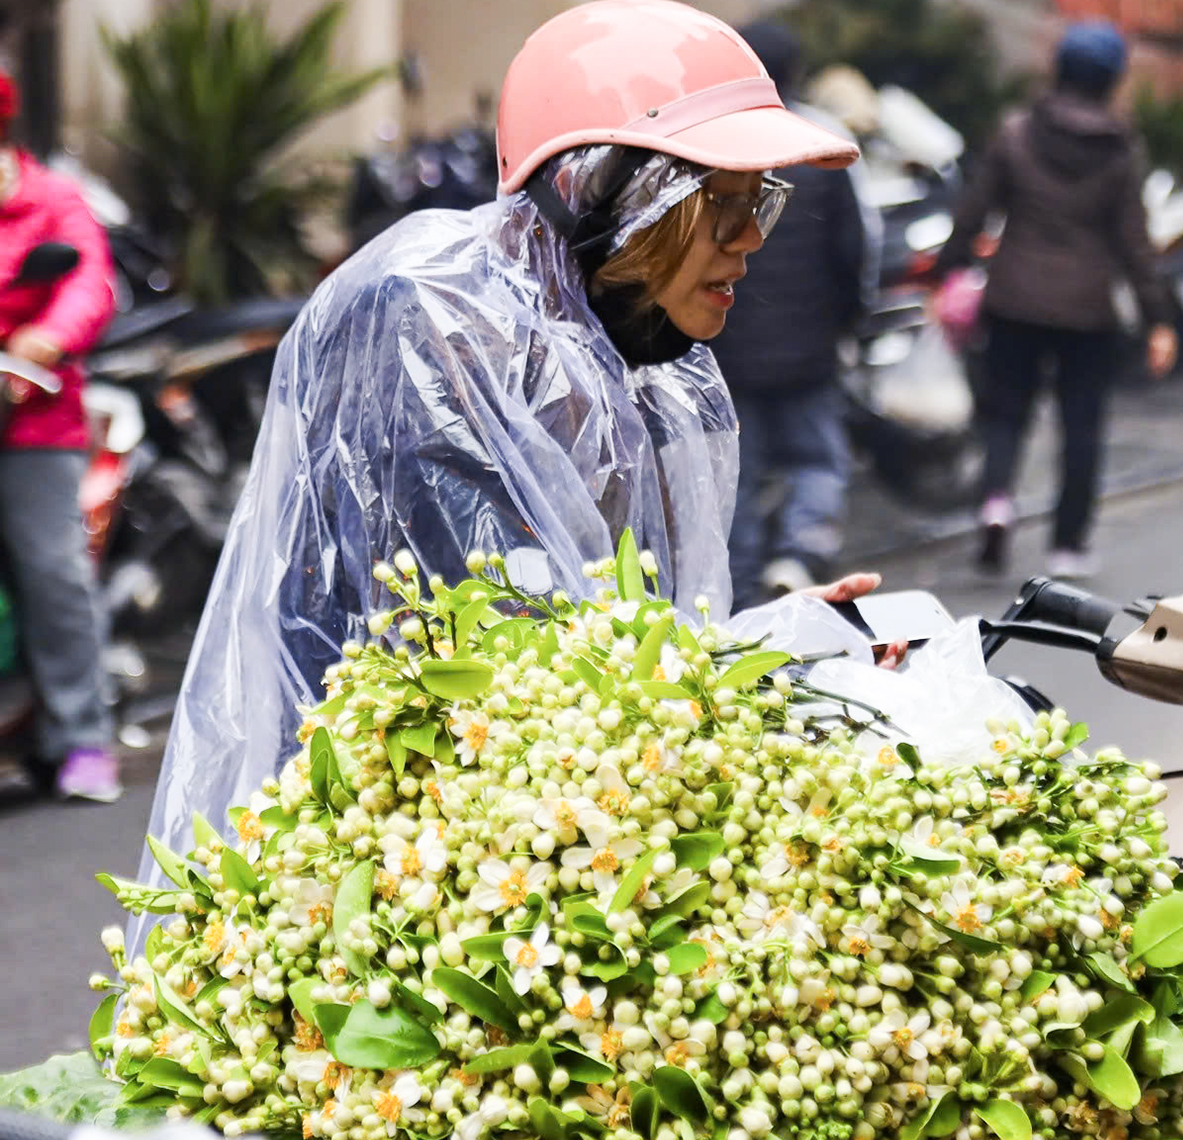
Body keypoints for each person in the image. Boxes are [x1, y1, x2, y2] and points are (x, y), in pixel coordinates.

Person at [136, 0, 897, 895]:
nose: (746, 246)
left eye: (758, 206)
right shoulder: (433, 321)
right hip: (391, 875)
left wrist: (773, 646)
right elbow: (494, 663)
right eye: (719, 209)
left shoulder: (640, 354)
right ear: (602, 193)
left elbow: (608, 636)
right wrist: (744, 679)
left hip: (540, 845)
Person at [932, 20, 1178, 579]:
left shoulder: (1016, 132)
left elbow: (974, 213)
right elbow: (1134, 242)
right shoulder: (1119, 151)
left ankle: (996, 500)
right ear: (1112, 79)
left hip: (1015, 298)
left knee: (1004, 413)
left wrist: (945, 274)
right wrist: (1159, 318)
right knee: (1082, 427)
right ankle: (1067, 545)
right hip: (1087, 311)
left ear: (1059, 69)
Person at [712, 20, 879, 608]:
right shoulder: (820, 143)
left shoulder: (715, 146)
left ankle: (741, 581)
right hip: (808, 349)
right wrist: (851, 322)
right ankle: (800, 553)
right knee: (817, 460)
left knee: (739, 471)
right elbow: (852, 251)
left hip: (729, 345)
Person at [0, 67, 119, 802]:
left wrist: (42, 341)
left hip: (34, 416)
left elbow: (90, 284)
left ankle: (81, 738)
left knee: (52, 573)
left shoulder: (52, 202)